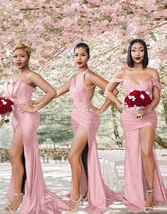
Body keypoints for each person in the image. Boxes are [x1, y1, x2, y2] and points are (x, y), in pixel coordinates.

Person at [55, 42, 121, 213]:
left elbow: (113, 89)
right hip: (75, 118)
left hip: (88, 118)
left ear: (89, 57)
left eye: (83, 54)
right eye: (76, 55)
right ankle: (85, 191)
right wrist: (34, 102)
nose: (79, 58)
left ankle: (76, 195)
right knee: (81, 156)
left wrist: (99, 110)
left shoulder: (89, 75)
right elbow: (55, 92)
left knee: (72, 156)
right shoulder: (74, 77)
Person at [4, 43, 68, 213]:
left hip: (28, 117)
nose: (18, 59)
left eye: (22, 56)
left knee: (13, 154)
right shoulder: (14, 77)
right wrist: (3, 110)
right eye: (15, 56)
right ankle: (23, 192)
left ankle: (18, 196)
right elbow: (11, 99)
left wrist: (35, 107)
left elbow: (52, 92)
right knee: (20, 156)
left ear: (28, 57)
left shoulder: (31, 75)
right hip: (16, 117)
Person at [105, 39, 167, 213]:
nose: (137, 53)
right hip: (129, 117)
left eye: (141, 50)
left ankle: (150, 192)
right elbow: (108, 90)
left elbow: (156, 97)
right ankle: (135, 193)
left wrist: (148, 108)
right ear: (130, 53)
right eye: (134, 50)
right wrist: (119, 104)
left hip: (148, 117)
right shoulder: (123, 72)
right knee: (133, 154)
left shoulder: (152, 73)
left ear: (145, 53)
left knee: (146, 152)